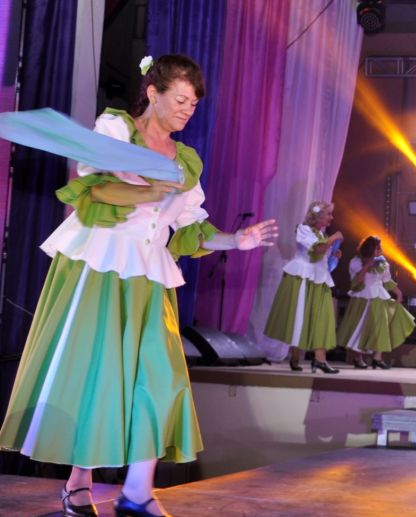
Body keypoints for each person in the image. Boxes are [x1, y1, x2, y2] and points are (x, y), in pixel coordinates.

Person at [0, 54, 278, 517]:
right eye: (181, 99)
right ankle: (79, 481)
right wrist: (150, 189)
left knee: (162, 377)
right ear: (153, 92)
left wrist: (236, 240)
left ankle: (137, 491)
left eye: (194, 104)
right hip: (101, 264)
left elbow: (191, 228)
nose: (188, 110)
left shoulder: (184, 161)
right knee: (97, 378)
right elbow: (95, 190)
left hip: (150, 275)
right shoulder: (116, 129)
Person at [264, 201, 343, 374]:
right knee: (300, 315)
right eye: (328, 214)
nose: (331, 218)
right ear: (318, 216)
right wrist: (333, 239)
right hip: (303, 278)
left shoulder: (321, 234)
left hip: (319, 279)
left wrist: (334, 257)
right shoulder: (303, 229)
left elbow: (323, 259)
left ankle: (319, 360)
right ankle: (296, 356)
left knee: (321, 318)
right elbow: (317, 250)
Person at [335, 236, 416, 369]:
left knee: (381, 327)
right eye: (378, 248)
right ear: (370, 249)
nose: (381, 250)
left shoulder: (383, 263)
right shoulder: (356, 262)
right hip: (362, 298)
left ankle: (377, 358)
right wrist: (367, 266)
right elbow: (356, 281)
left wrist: (398, 293)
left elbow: (387, 281)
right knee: (361, 328)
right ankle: (358, 358)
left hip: (379, 298)